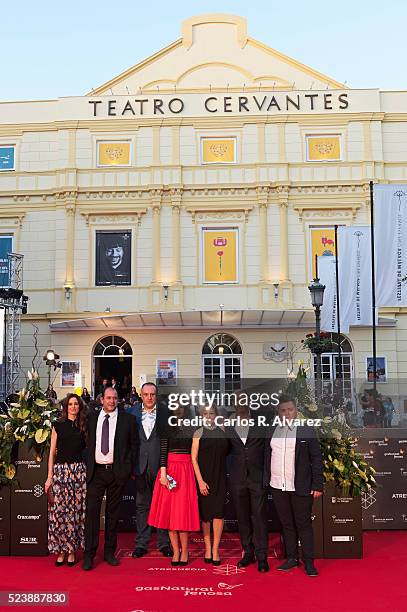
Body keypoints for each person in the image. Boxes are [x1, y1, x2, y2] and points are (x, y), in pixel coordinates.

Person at [264, 394, 323, 577]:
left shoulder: (306, 430)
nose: (287, 413)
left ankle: (309, 563)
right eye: (283, 410)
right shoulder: (272, 429)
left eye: (290, 409)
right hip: (277, 485)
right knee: (287, 524)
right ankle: (291, 558)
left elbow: (316, 458)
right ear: (278, 412)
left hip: (301, 485)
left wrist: (318, 484)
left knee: (303, 524)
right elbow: (267, 455)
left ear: (296, 410)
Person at [82, 387, 138, 571]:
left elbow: (134, 446)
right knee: (91, 515)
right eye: (108, 398)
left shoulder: (128, 420)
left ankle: (109, 553)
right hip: (96, 472)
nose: (112, 401)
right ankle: (89, 555)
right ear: (101, 400)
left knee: (113, 516)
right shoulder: (91, 418)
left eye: (114, 398)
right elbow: (84, 442)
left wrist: (127, 469)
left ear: (118, 400)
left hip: (116, 473)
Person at [148, 403, 200, 566]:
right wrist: (163, 473)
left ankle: (185, 551)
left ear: (185, 410)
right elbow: (163, 451)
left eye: (181, 407)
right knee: (170, 514)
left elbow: (194, 454)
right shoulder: (167, 426)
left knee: (182, 514)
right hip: (169, 471)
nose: (178, 410)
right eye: (175, 407)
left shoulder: (192, 427)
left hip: (185, 471)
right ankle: (175, 550)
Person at [226, 392, 269, 572]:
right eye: (237, 401)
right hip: (237, 478)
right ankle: (248, 552)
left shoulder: (261, 421)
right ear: (233, 404)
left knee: (259, 517)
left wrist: (267, 475)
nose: (241, 404)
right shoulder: (227, 423)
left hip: (258, 477)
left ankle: (262, 556)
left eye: (244, 400)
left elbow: (267, 449)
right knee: (242, 518)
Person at [45, 393, 87, 566]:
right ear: (65, 407)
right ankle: (60, 549)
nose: (73, 407)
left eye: (76, 404)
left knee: (74, 514)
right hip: (61, 473)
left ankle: (71, 550)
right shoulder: (58, 426)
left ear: (80, 406)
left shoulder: (83, 426)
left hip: (78, 473)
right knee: (59, 513)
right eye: (70, 404)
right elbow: (51, 453)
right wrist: (49, 477)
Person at [131, 382, 171, 558]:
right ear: (141, 395)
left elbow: (169, 441)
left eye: (152, 394)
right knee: (142, 506)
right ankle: (141, 543)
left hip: (160, 466)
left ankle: (164, 543)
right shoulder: (131, 413)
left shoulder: (165, 413)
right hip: (139, 466)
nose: (149, 397)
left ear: (156, 396)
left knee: (162, 505)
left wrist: (166, 467)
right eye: (146, 394)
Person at [191, 405, 229, 565]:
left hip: (220, 479)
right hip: (204, 480)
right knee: (206, 517)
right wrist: (200, 481)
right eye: (205, 413)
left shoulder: (223, 432)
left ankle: (215, 550)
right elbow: (193, 459)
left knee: (218, 515)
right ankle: (207, 548)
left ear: (216, 415)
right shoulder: (198, 433)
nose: (208, 416)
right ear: (201, 415)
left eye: (211, 413)